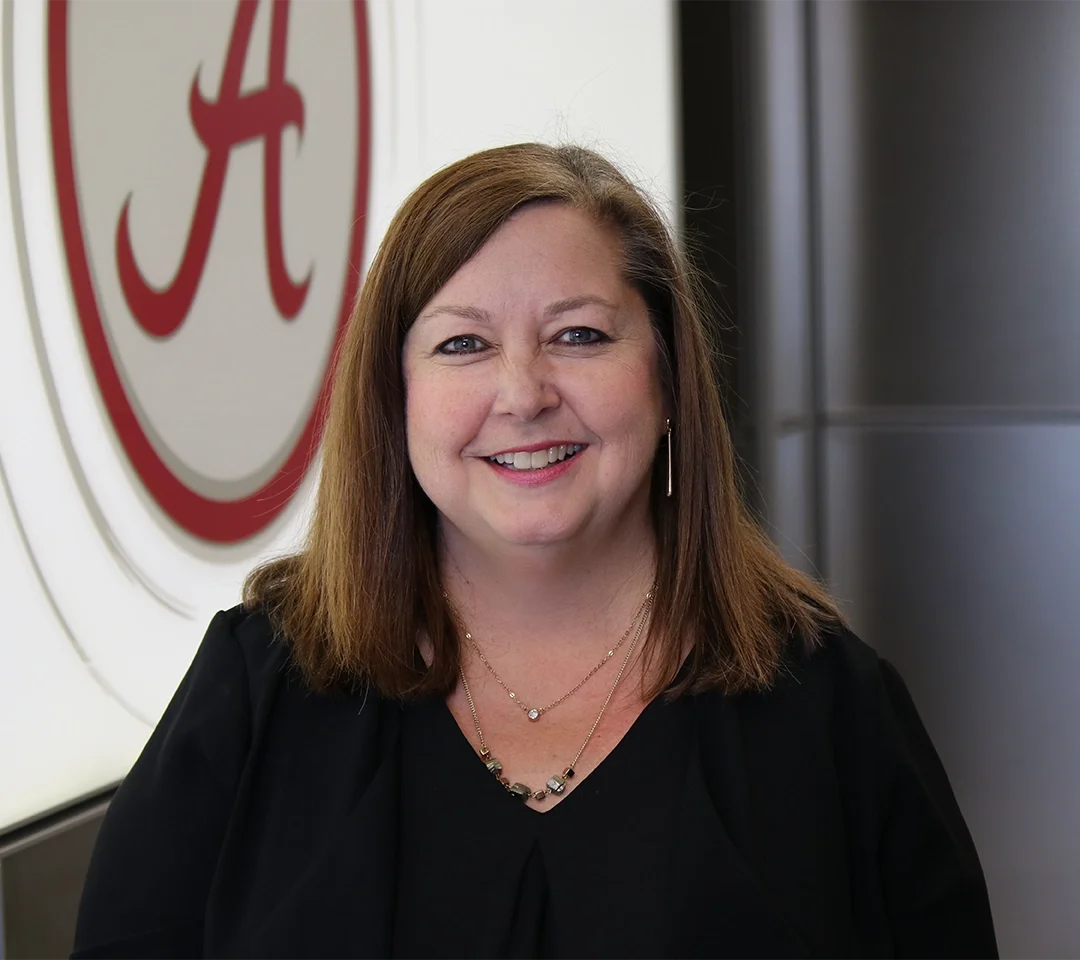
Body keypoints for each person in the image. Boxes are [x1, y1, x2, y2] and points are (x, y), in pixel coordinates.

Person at [71, 143, 998, 958]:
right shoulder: (255, 694)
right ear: (394, 402)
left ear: (669, 381)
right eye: (463, 344)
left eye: (579, 335)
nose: (522, 393)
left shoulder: (833, 709)